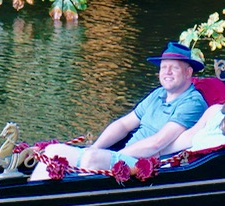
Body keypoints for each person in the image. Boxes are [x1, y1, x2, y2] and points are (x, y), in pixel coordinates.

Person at [30, 41, 208, 180]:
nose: (167, 72)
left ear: (188, 73)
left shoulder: (192, 102)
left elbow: (157, 143)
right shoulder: (158, 94)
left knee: (91, 160)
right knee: (53, 151)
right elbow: (124, 124)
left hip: (147, 165)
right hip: (127, 155)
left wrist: (115, 154)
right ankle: (31, 199)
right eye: (163, 67)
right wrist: (95, 147)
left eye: (174, 67)